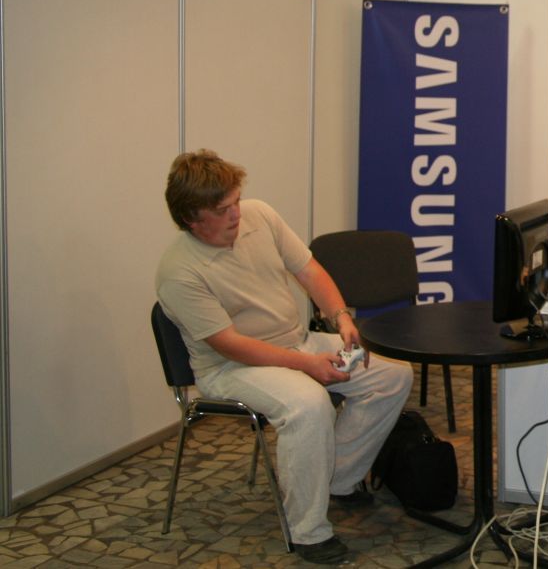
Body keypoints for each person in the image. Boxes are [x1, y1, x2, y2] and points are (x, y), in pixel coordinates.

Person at [155, 150, 414, 565]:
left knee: (392, 376)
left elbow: (310, 271)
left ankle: (336, 479)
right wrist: (308, 366)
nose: (236, 214)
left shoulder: (260, 215)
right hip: (232, 367)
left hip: (296, 341)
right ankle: (308, 531)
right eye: (222, 210)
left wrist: (341, 318)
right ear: (191, 218)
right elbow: (229, 344)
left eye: (236, 201)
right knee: (309, 405)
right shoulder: (179, 272)